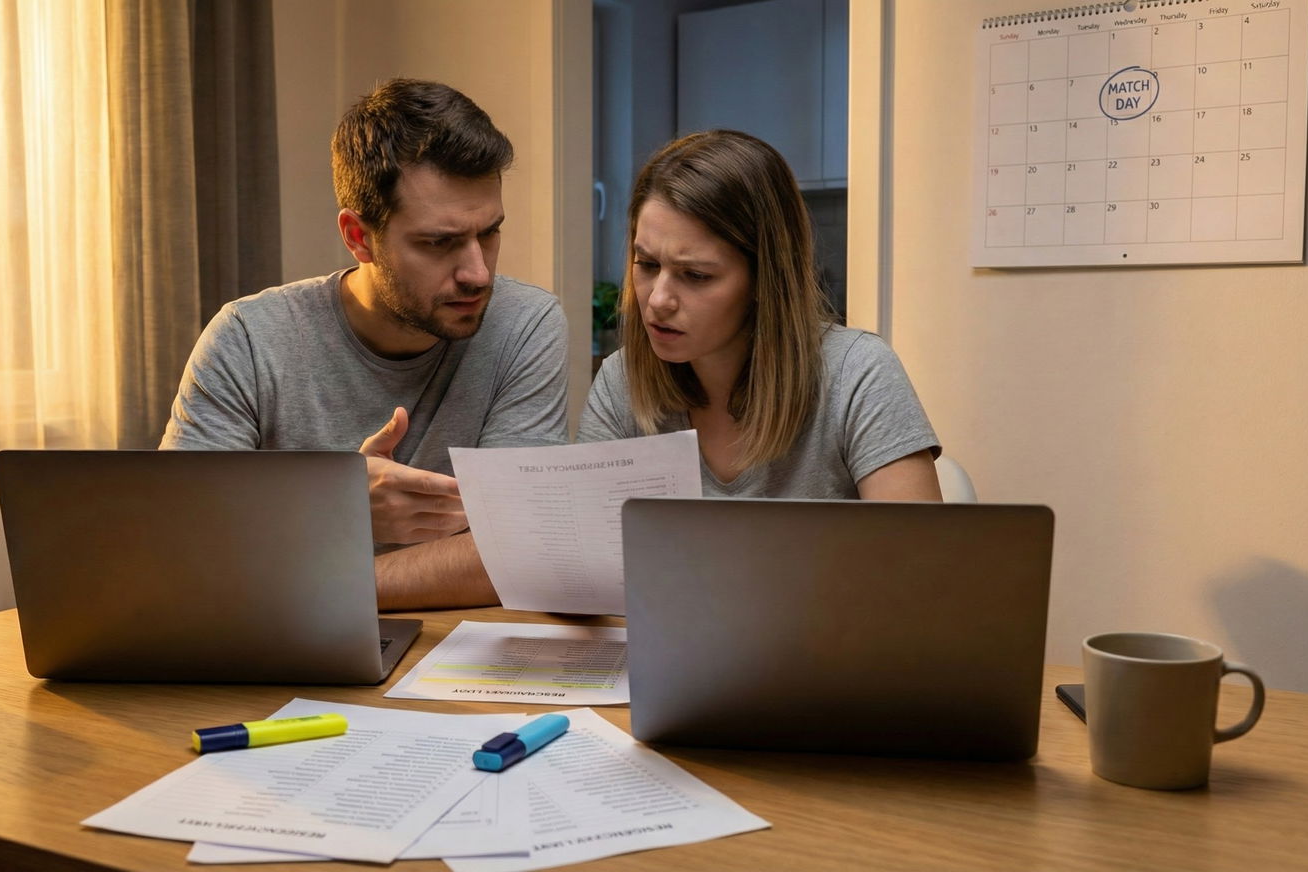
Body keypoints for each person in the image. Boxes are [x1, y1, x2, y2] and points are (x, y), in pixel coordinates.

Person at [161, 79, 569, 608]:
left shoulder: (525, 324)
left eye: (489, 233)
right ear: (358, 237)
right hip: (281, 646)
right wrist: (333, 504)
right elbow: (177, 543)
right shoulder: (248, 338)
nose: (477, 273)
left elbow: (520, 551)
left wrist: (320, 577)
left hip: (452, 657)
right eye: (440, 242)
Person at [578, 130, 940, 500]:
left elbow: (920, 554)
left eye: (696, 275)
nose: (658, 300)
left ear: (764, 280)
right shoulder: (622, 382)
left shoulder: (856, 373)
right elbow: (584, 548)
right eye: (647, 264)